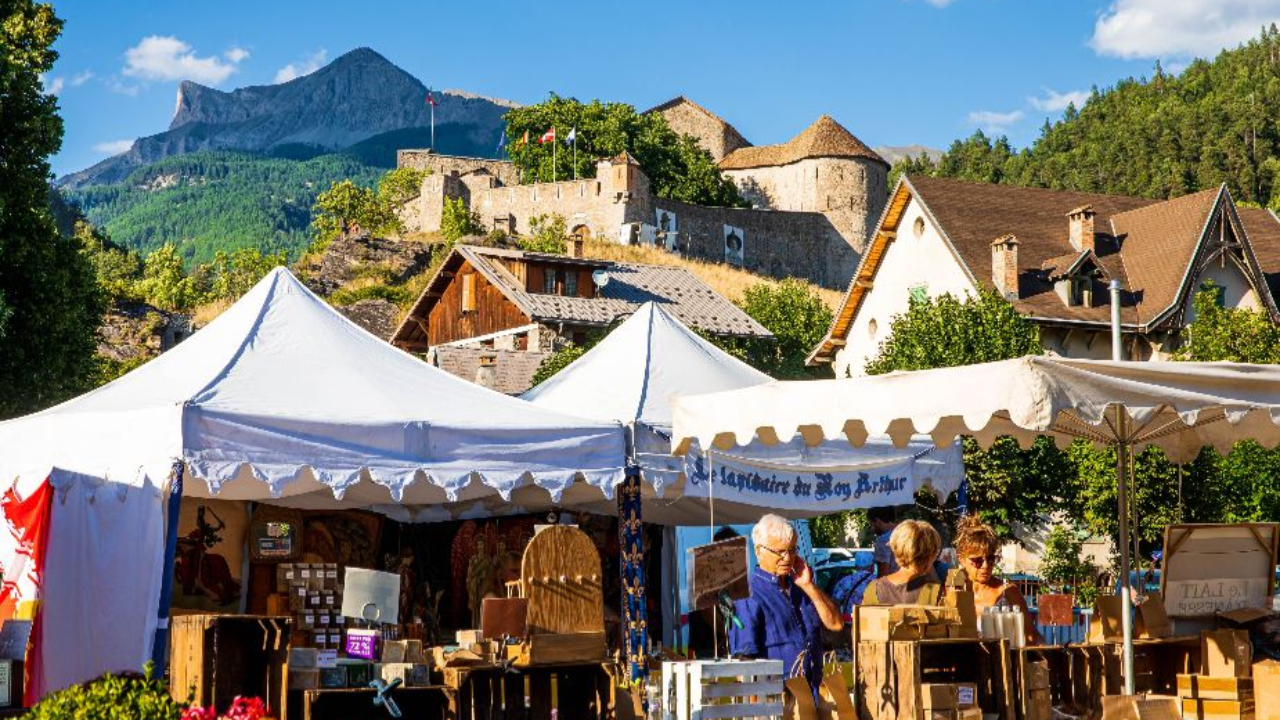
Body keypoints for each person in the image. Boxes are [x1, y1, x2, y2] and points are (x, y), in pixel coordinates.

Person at [730, 515, 843, 694]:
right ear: (759, 550)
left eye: (792, 550)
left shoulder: (801, 587)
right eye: (780, 551)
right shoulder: (748, 595)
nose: (787, 557)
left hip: (814, 694)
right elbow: (744, 661)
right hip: (777, 700)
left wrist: (809, 586)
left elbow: (836, 624)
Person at [954, 515, 1041, 646]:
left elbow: (1031, 637)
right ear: (961, 558)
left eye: (990, 559)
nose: (985, 566)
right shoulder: (951, 593)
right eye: (977, 560)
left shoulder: (1008, 592)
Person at [861, 520, 943, 605]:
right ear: (930, 554)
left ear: (895, 547)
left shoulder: (873, 589)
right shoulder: (934, 592)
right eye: (936, 553)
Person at [868, 507, 899, 578]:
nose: (872, 529)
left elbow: (883, 576)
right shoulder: (910, 533)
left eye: (871, 524)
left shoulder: (883, 541)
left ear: (877, 520)